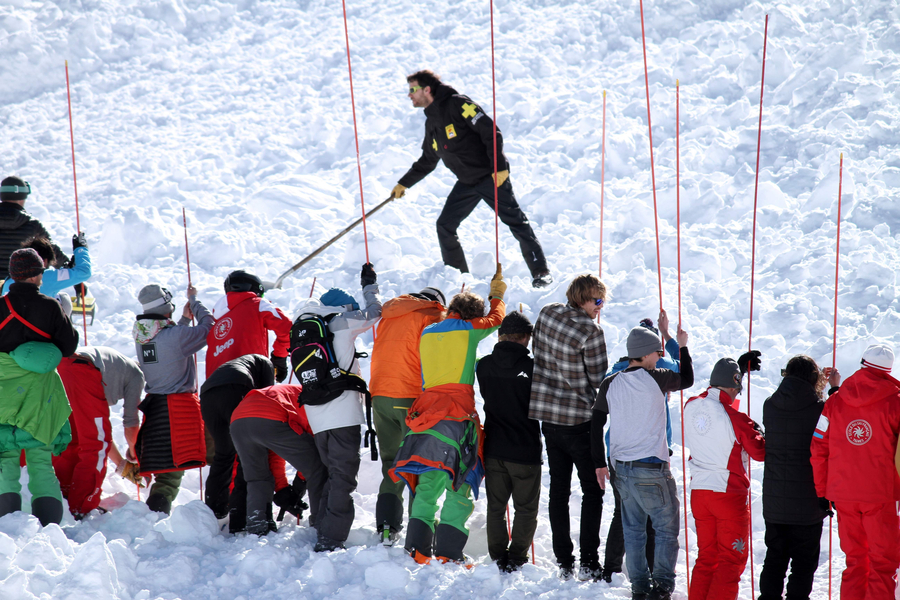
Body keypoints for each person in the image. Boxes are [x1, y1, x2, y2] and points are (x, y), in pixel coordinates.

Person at [389, 70, 551, 288]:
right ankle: (459, 279)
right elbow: (428, 159)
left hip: (490, 176)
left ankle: (541, 271)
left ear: (427, 89)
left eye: (412, 89)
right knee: (445, 225)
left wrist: (499, 167)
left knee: (516, 222)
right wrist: (404, 183)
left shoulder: (458, 104)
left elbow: (491, 131)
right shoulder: (432, 122)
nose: (409, 95)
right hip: (466, 182)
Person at [391, 267, 506, 564]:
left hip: (425, 415)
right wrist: (497, 294)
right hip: (456, 417)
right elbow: (496, 320)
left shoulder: (428, 333)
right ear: (470, 317)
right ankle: (449, 552)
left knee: (428, 482)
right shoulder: (467, 331)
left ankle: (416, 550)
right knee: (461, 483)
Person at [591, 324, 693, 600]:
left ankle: (639, 588)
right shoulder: (656, 378)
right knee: (666, 529)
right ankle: (661, 587)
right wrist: (681, 345)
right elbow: (687, 379)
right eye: (657, 352)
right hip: (651, 467)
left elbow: (595, 423)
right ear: (646, 354)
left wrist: (600, 464)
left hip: (620, 469)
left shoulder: (610, 382)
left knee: (633, 531)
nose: (660, 356)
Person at [293, 264, 382, 551]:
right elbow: (375, 313)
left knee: (330, 473)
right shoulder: (339, 322)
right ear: (342, 307)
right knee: (343, 478)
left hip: (317, 417)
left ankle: (321, 525)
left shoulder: (306, 332)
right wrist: (369, 286)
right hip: (343, 414)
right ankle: (330, 539)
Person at [528, 273, 608, 580]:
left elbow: (538, 352)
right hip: (579, 421)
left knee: (559, 491)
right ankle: (589, 562)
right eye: (596, 300)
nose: (599, 307)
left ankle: (564, 562)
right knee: (592, 491)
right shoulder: (591, 331)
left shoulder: (548, 312)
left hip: (549, 417)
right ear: (582, 298)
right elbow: (599, 380)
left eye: (602, 301)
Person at [811, 343, 900, 600]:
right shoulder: (895, 401)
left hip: (844, 495)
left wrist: (821, 490)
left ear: (862, 364)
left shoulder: (835, 401)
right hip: (882, 495)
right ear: (887, 370)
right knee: (883, 565)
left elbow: (818, 446)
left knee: (855, 562)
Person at [0, 248, 79, 525]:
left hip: (3, 397)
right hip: (40, 396)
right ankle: (48, 531)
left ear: (12, 276)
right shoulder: (49, 306)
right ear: (38, 275)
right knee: (41, 465)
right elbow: (69, 347)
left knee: (5, 462)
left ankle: (6, 530)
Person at [603, 312, 681, 582]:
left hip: (619, 452)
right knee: (657, 520)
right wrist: (670, 337)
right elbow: (680, 369)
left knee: (625, 516)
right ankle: (652, 574)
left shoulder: (615, 373)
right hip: (651, 450)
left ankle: (611, 568)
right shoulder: (656, 372)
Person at [683, 354, 766, 600]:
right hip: (728, 494)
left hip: (699, 492)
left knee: (707, 557)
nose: (737, 395)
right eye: (737, 390)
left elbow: (716, 408)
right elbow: (759, 453)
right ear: (732, 386)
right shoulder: (736, 418)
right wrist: (759, 433)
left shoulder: (691, 404)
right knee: (731, 559)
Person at [759, 355, 840, 600]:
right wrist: (834, 389)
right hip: (808, 502)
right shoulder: (820, 408)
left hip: (774, 502)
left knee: (774, 559)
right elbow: (835, 422)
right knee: (803, 565)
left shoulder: (769, 405)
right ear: (813, 378)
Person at [369, 286, 446, 544]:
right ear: (436, 302)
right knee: (418, 464)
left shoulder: (390, 315)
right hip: (410, 397)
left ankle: (387, 528)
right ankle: (420, 532)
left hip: (379, 396)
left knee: (391, 463)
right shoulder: (431, 315)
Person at [133, 283, 213, 515]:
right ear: (168, 307)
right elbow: (210, 328)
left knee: (167, 476)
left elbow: (170, 343)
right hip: (181, 410)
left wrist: (184, 321)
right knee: (224, 455)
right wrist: (195, 302)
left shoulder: (143, 335)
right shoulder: (176, 336)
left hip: (156, 409)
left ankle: (154, 518)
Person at [476, 311, 541, 572]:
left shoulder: (483, 365)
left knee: (496, 507)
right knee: (525, 509)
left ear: (500, 335)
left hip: (493, 447)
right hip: (525, 449)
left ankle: (497, 557)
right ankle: (516, 558)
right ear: (526, 338)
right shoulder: (533, 368)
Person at [54, 346, 146, 519]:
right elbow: (131, 425)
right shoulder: (137, 375)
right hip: (83, 370)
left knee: (71, 441)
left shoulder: (117, 368)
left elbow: (95, 433)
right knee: (95, 446)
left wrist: (122, 465)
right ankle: (82, 505)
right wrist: (135, 456)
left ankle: (64, 495)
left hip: (60, 368)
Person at [200, 353, 284, 533]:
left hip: (207, 394)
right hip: (236, 388)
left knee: (223, 454)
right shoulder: (266, 363)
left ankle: (213, 514)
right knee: (248, 452)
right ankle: (240, 516)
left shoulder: (242, 362)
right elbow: (267, 396)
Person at [230, 384, 326, 536]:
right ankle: (322, 524)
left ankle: (257, 525)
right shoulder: (315, 398)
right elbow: (312, 455)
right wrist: (299, 485)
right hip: (270, 415)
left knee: (257, 477)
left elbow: (275, 453)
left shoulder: (291, 392)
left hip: (238, 420)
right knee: (317, 469)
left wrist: (283, 490)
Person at [205, 270, 292, 383]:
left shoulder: (215, 323)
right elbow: (288, 329)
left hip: (212, 391)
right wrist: (279, 358)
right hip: (249, 380)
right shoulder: (257, 304)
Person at [0, 177, 67, 280]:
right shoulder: (33, 225)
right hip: (19, 286)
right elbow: (52, 251)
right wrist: (72, 272)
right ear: (23, 197)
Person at [2, 234, 91, 297]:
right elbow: (84, 272)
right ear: (43, 262)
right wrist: (81, 249)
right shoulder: (48, 276)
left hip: (11, 322)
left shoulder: (9, 280)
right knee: (64, 299)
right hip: (38, 321)